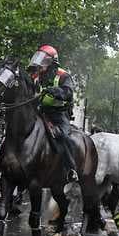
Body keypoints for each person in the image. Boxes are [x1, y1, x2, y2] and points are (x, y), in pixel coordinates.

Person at [28, 45, 78, 183]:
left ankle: (71, 169)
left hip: (58, 114)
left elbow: (68, 93)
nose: (39, 64)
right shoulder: (36, 76)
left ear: (51, 62)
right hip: (39, 112)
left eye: (43, 61)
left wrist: (54, 91)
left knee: (64, 137)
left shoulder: (63, 76)